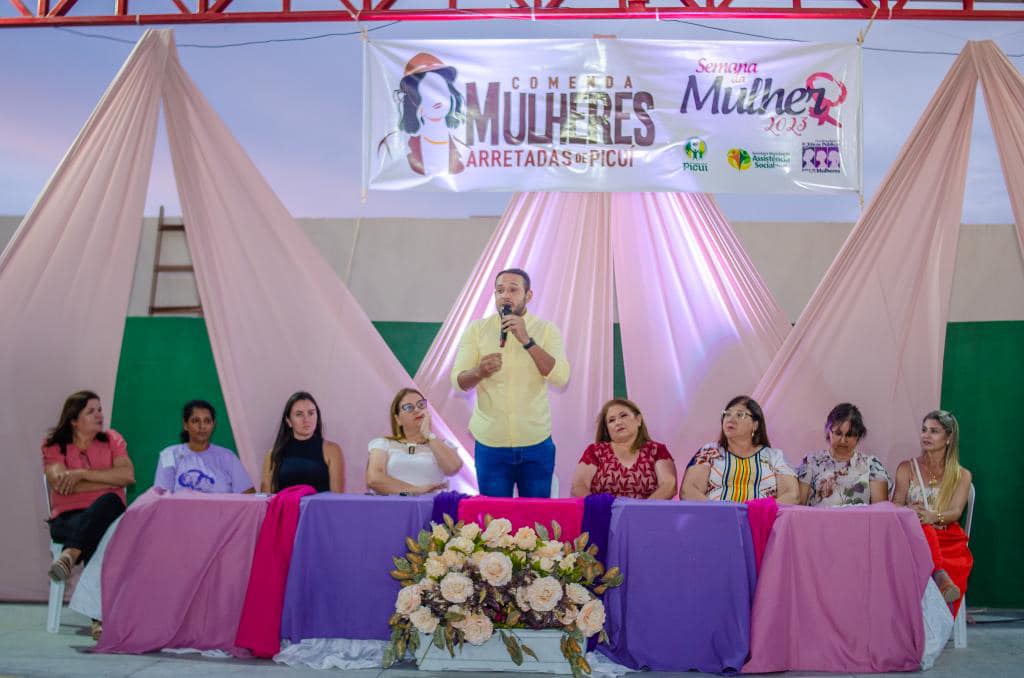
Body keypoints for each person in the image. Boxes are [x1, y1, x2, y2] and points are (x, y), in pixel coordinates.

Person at [451, 268, 570, 497]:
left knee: (537, 517)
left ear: (528, 295)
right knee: (495, 517)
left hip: (536, 442)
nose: (505, 295)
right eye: (500, 290)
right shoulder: (477, 330)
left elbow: (561, 377)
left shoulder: (546, 330)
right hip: (491, 444)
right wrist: (479, 371)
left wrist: (527, 340)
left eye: (513, 290)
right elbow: (458, 381)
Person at [41, 391, 135, 583]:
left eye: (99, 410)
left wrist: (80, 474)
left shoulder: (112, 439)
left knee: (109, 501)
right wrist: (110, 481)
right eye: (91, 411)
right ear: (74, 420)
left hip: (108, 513)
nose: (99, 415)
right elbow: (60, 484)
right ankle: (99, 602)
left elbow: (127, 476)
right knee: (98, 530)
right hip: (68, 519)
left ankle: (69, 555)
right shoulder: (55, 445)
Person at [892, 410, 973, 611]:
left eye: (934, 431)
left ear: (949, 438)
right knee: (921, 530)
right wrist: (909, 511)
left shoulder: (962, 475)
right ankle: (939, 574)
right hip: (913, 538)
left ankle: (939, 576)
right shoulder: (906, 468)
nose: (926, 435)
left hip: (947, 538)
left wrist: (932, 516)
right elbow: (894, 505)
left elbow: (956, 512)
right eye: (924, 430)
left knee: (928, 529)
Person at [679, 395, 798, 503]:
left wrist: (763, 510)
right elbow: (689, 490)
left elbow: (792, 495)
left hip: (763, 519)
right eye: (727, 414)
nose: (730, 419)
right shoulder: (710, 451)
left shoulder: (774, 456)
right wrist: (718, 511)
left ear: (755, 425)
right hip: (714, 517)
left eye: (740, 415)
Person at [571, 399, 676, 499]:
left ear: (638, 420)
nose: (618, 422)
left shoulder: (656, 450)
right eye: (611, 420)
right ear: (607, 429)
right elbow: (578, 486)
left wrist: (642, 509)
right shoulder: (595, 451)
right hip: (603, 511)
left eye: (623, 415)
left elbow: (669, 484)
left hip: (647, 511)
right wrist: (598, 505)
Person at [366, 388, 462, 495]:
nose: (416, 410)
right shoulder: (383, 444)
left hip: (431, 505)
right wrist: (416, 491)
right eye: (409, 407)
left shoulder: (442, 444)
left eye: (421, 405)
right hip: (392, 504)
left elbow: (453, 468)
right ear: (398, 419)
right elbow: (374, 479)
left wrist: (428, 434)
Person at [796, 403, 890, 506]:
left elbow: (880, 510)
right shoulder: (811, 461)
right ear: (828, 431)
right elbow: (799, 506)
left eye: (849, 435)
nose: (843, 440)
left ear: (858, 435)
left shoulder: (871, 465)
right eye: (838, 433)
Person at [154, 400, 254, 494]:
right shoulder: (169, 455)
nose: (202, 426)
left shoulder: (228, 457)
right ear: (185, 425)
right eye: (195, 421)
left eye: (207, 421)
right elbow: (162, 497)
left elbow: (248, 496)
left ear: (214, 425)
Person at [260, 392, 344, 493]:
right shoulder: (273, 455)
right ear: (288, 421)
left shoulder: (332, 451)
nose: (306, 419)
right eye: (299, 414)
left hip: (321, 505)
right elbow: (266, 498)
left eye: (311, 413)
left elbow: (337, 498)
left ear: (317, 417)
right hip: (285, 504)